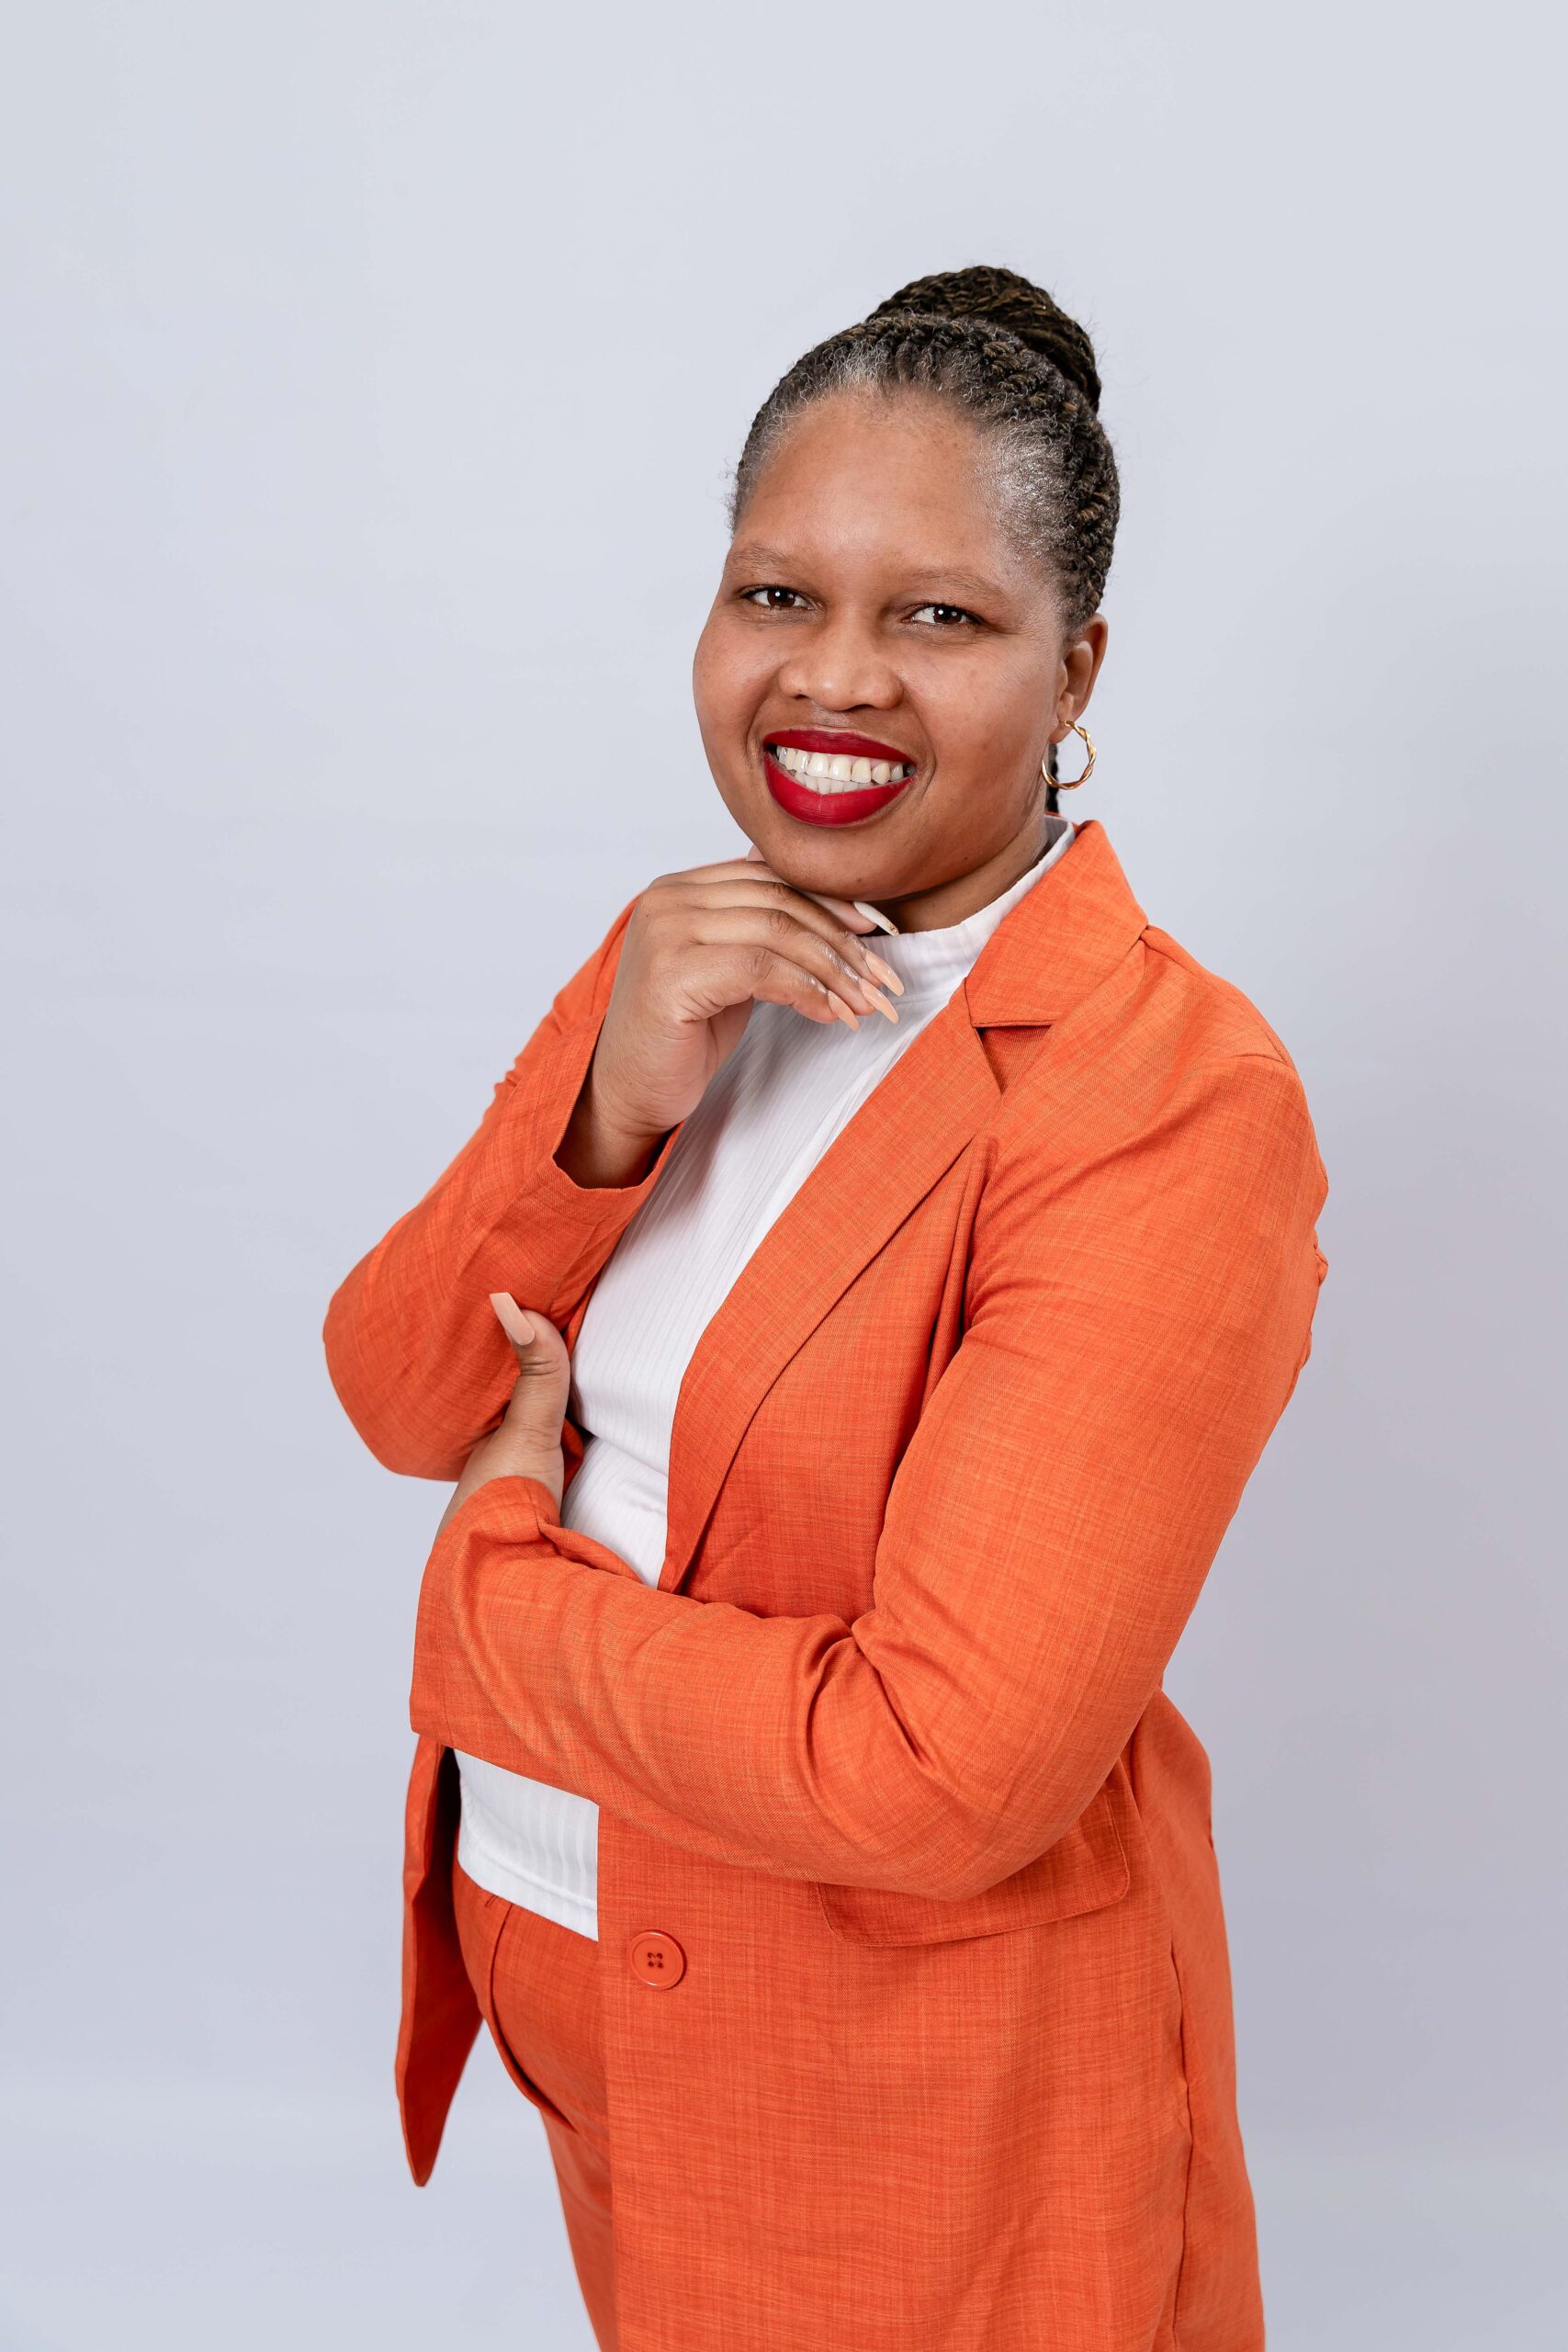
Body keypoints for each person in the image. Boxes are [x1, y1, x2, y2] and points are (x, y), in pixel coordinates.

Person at [323, 265, 1331, 2352]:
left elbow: (936, 1771)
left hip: (907, 2102)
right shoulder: (698, 959)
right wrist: (605, 1102)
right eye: (775, 593)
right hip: (601, 2000)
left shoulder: (1161, 1096)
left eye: (937, 616)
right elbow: (406, 1387)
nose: (834, 677)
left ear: (1076, 667)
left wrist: (494, 1590)